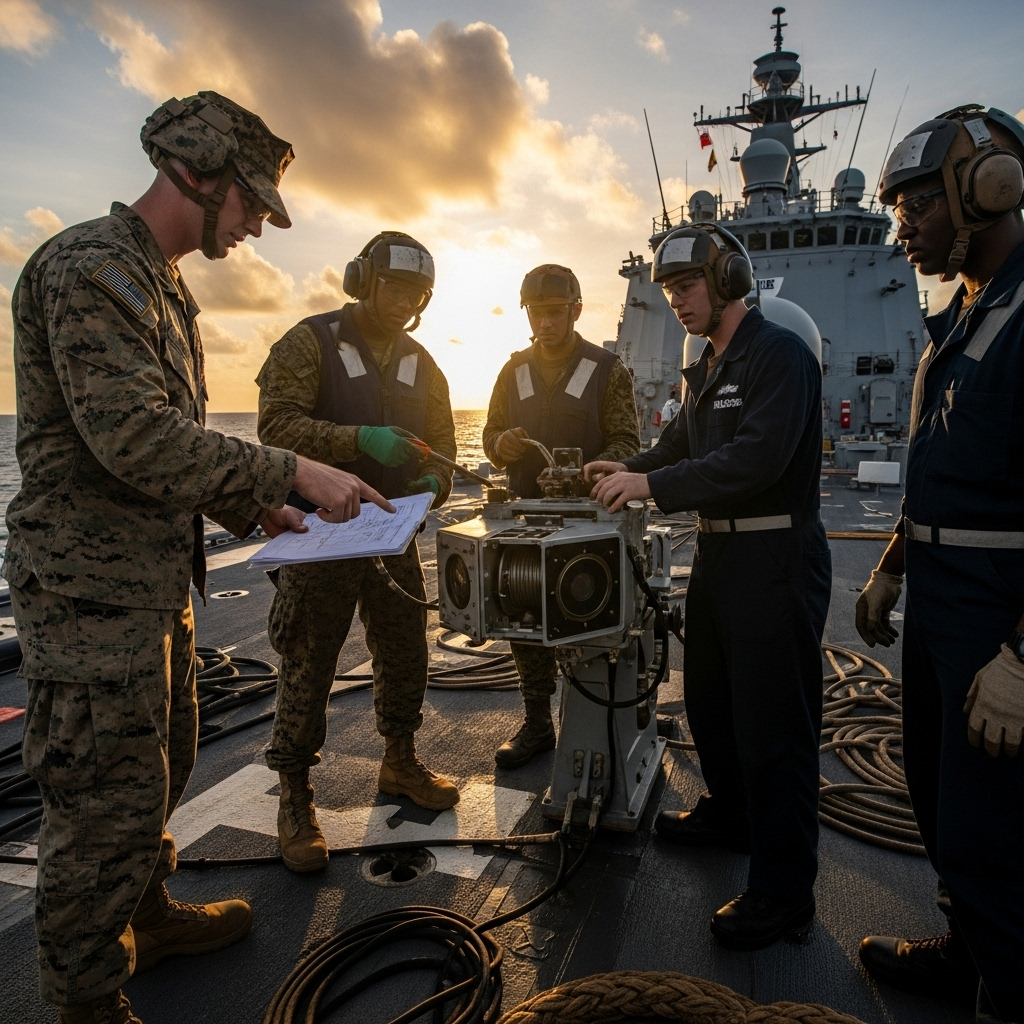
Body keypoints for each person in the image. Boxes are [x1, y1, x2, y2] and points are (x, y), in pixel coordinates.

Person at [3, 93, 392, 1024]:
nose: (258, 223)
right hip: (90, 597)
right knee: (101, 808)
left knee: (159, 769)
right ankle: (87, 1002)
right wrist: (295, 465)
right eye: (252, 202)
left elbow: (172, 440)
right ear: (199, 173)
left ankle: (147, 917)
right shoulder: (93, 269)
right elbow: (131, 435)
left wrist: (259, 500)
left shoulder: (162, 283)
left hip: (147, 585)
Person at [586, 225, 831, 950]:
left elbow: (755, 460)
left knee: (774, 731)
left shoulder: (779, 356)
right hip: (723, 562)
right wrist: (618, 468)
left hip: (774, 558)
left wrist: (650, 485)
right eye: (668, 291)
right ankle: (730, 815)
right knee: (713, 705)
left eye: (687, 287)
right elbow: (676, 448)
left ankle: (785, 894)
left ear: (728, 278)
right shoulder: (708, 366)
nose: (676, 303)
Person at [855, 105, 1024, 1024]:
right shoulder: (964, 313)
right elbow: (942, 462)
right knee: (946, 804)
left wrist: (1023, 661)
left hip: (1002, 619)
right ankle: (972, 950)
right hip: (943, 603)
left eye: (916, 202)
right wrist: (890, 562)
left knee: (1000, 836)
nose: (902, 226)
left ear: (987, 188)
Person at [256, 232, 460, 873]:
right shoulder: (308, 341)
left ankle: (399, 760)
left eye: (416, 292)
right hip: (320, 536)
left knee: (404, 650)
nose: (404, 301)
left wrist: (435, 485)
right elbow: (275, 429)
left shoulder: (424, 364)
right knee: (308, 662)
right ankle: (294, 797)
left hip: (392, 536)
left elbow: (444, 448)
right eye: (394, 286)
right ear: (361, 280)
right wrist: (360, 439)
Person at [481, 264, 639, 768]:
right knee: (524, 616)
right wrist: (500, 445)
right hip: (528, 517)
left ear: (574, 311)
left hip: (590, 520)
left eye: (554, 312)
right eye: (536, 313)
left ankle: (613, 713)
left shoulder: (606, 369)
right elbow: (489, 437)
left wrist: (598, 469)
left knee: (595, 615)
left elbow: (627, 442)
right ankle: (537, 722)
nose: (545, 323)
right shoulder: (512, 371)